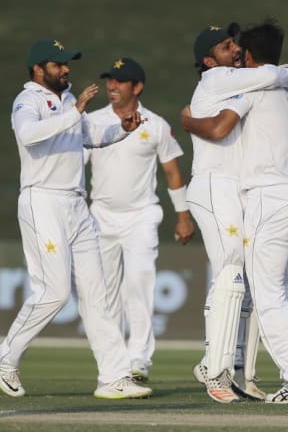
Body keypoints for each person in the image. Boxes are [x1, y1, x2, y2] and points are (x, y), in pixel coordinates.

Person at [182, 19, 288, 405]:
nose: (234, 51)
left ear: (251, 56)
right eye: (225, 47)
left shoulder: (255, 86)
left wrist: (187, 120)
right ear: (209, 60)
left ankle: (246, 369)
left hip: (258, 195)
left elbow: (225, 123)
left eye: (237, 47)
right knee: (251, 276)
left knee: (259, 282)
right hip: (237, 188)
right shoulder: (228, 81)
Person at [0, 39, 152, 399]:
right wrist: (74, 111)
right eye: (58, 64)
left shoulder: (66, 101)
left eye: (67, 64)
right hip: (43, 200)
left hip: (77, 204)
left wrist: (121, 129)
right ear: (38, 69)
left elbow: (88, 136)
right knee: (55, 292)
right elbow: (28, 135)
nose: (66, 69)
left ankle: (114, 376)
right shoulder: (27, 100)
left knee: (97, 295)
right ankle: (4, 355)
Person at [85, 57, 195, 383]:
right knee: (105, 295)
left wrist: (183, 216)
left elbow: (172, 172)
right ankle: (115, 362)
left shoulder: (155, 124)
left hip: (141, 216)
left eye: (120, 81)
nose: (112, 86)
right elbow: (74, 167)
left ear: (138, 87)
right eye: (110, 80)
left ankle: (138, 360)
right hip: (100, 218)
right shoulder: (91, 121)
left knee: (139, 283)